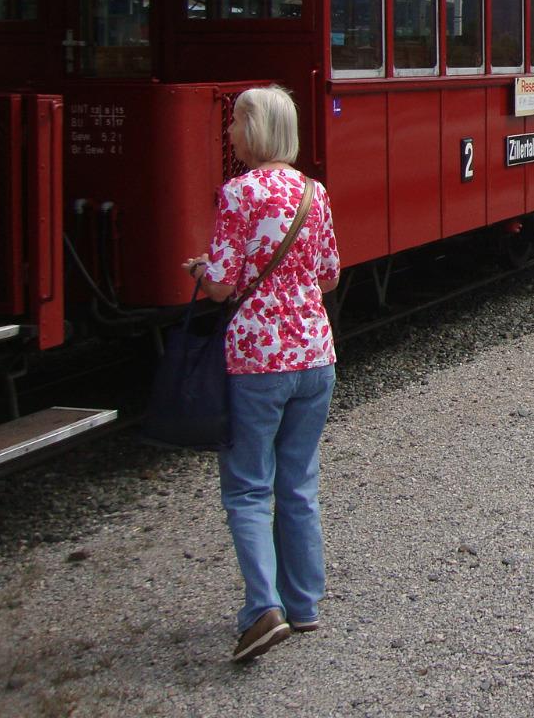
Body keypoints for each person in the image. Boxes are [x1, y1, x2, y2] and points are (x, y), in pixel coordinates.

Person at [182, 85, 341, 664]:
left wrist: (204, 270)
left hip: (258, 359)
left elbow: (223, 284)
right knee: (298, 482)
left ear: (254, 132)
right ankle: (303, 605)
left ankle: (260, 611)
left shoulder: (239, 193)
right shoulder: (313, 192)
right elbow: (328, 277)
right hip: (315, 357)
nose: (230, 135)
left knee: (249, 487)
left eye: (236, 125)